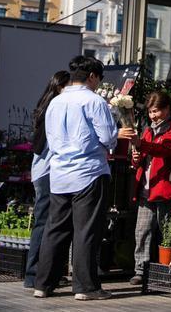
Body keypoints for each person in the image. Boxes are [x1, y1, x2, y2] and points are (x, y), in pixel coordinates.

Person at [34, 56, 135, 300]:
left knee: (55, 229)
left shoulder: (56, 102)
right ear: (92, 76)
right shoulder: (94, 101)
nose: (99, 83)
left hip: (59, 173)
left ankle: (43, 283)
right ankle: (86, 287)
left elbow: (49, 137)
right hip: (88, 172)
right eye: (99, 78)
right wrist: (116, 134)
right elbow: (108, 139)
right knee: (86, 231)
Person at [130, 91, 171, 285]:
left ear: (167, 109)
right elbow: (142, 154)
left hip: (165, 189)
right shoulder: (148, 130)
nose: (153, 116)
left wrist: (142, 145)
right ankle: (140, 270)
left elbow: (166, 149)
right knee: (142, 232)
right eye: (150, 112)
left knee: (168, 232)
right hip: (146, 188)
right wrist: (136, 158)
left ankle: (170, 270)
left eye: (156, 111)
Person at [24, 71, 69, 289]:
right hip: (48, 172)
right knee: (45, 223)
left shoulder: (46, 106)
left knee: (44, 222)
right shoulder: (56, 108)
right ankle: (34, 274)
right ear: (61, 87)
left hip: (41, 171)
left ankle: (38, 273)